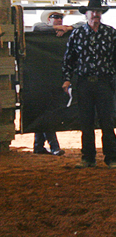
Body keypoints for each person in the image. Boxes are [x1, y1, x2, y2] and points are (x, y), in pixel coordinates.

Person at [62, 0, 116, 169]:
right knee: (86, 122)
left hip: (104, 82)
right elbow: (69, 58)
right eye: (92, 11)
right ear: (86, 14)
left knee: (107, 120)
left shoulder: (111, 33)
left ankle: (112, 157)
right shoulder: (77, 34)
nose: (95, 14)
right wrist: (67, 78)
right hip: (84, 82)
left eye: (98, 11)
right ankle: (88, 157)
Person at [31, 10, 70, 155]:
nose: (59, 20)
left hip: (46, 77)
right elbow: (37, 27)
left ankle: (39, 146)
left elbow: (80, 25)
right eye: (56, 17)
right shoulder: (41, 28)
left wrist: (67, 28)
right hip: (43, 78)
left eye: (61, 18)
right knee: (48, 111)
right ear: (48, 19)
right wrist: (60, 29)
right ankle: (53, 146)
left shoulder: (62, 31)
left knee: (46, 110)